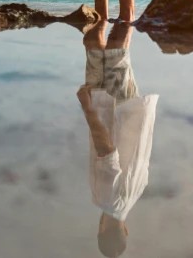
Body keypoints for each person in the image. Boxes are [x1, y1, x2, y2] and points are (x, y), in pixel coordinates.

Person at [76, 22, 159, 257]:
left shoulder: (138, 191)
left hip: (125, 108)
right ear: (99, 231)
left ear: (126, 229)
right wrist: (87, 109)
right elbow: (107, 152)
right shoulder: (106, 201)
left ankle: (107, 5)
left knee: (102, 46)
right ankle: (124, 2)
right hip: (112, 110)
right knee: (113, 47)